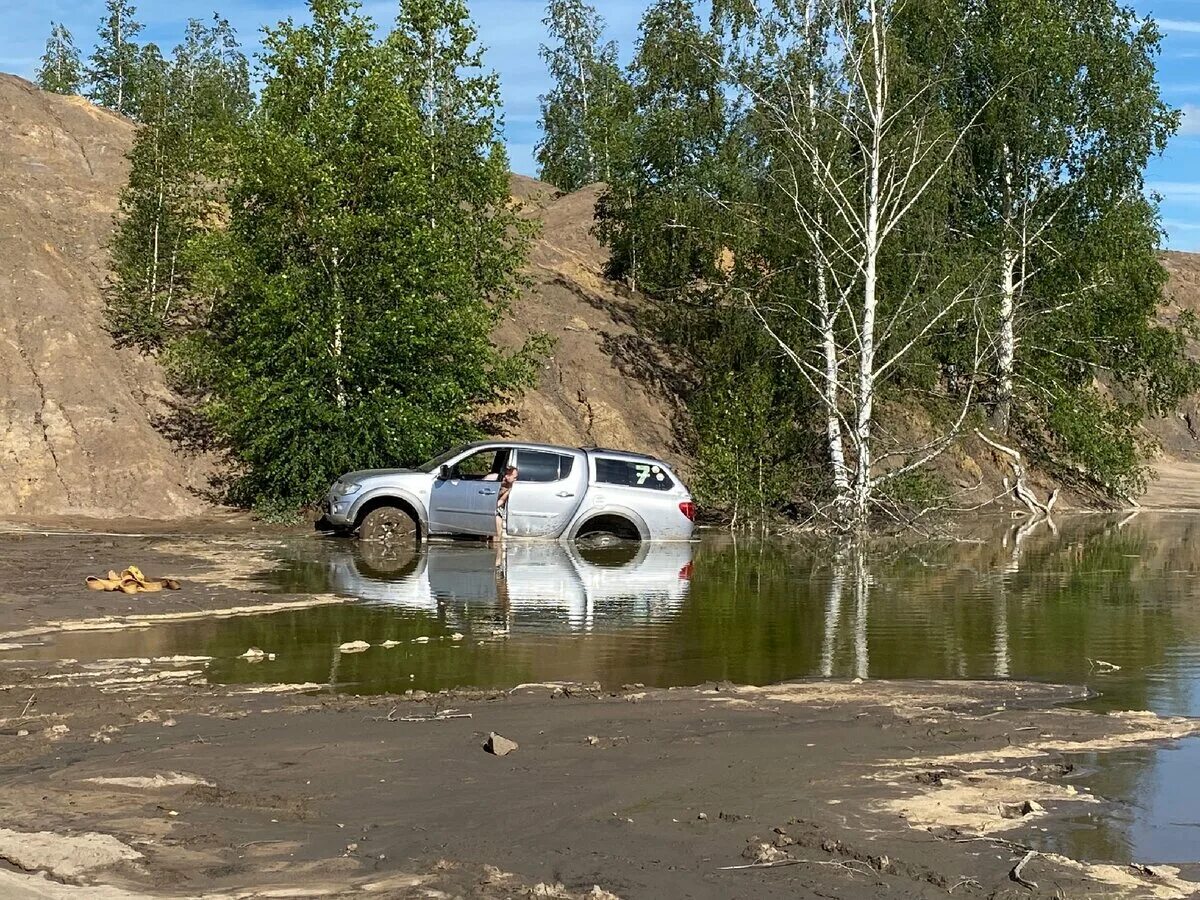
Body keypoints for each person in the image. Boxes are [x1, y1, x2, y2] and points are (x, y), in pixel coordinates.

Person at [494, 464, 518, 542]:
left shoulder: (511, 488)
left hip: (499, 510)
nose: (516, 479)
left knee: (498, 521)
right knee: (497, 521)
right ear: (507, 476)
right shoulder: (497, 483)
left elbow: (502, 501)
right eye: (514, 477)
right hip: (494, 509)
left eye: (516, 477)